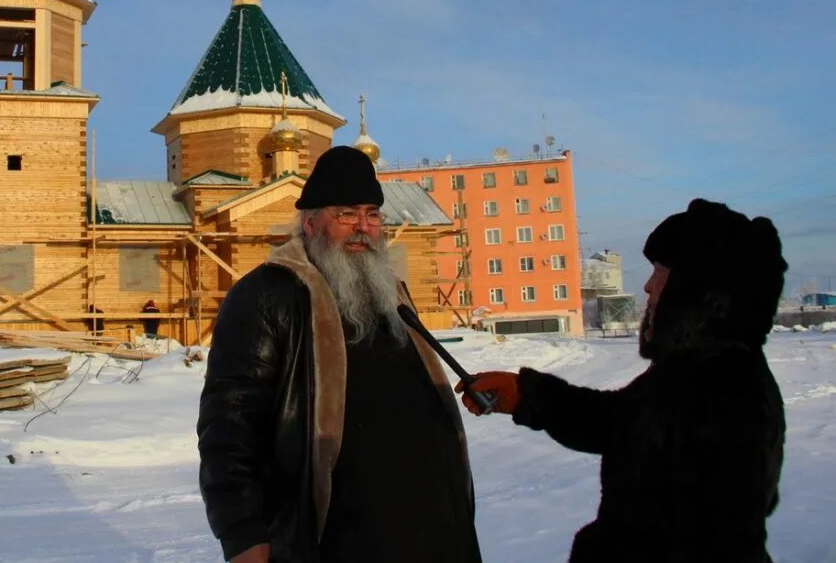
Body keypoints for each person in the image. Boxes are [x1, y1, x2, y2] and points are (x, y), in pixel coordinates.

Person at [460, 198, 787, 563]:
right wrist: (524, 395)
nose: (647, 287)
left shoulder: (726, 391)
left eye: (660, 271)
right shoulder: (691, 374)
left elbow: (720, 545)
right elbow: (618, 422)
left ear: (695, 288)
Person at [198, 146, 483, 563]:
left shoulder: (390, 293)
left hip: (436, 528)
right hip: (340, 536)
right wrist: (242, 533)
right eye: (346, 214)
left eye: (372, 214)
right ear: (310, 223)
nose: (363, 227)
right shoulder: (266, 296)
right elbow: (229, 424)